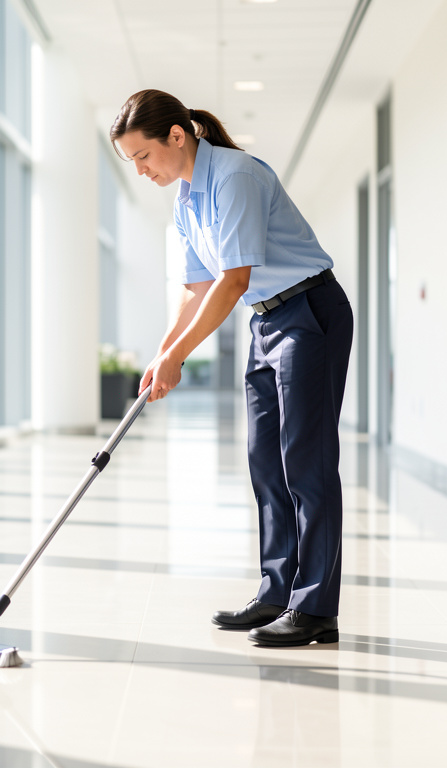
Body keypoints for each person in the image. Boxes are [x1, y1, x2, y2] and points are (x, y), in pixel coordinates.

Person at [110, 89, 353, 647]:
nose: (142, 171)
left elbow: (233, 279)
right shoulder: (186, 198)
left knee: (305, 461)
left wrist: (179, 356)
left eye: (143, 156)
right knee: (265, 461)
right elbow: (196, 290)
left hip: (308, 311)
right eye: (132, 163)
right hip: (266, 325)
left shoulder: (235, 175)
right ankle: (277, 591)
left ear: (177, 135)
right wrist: (163, 351)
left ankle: (315, 608)